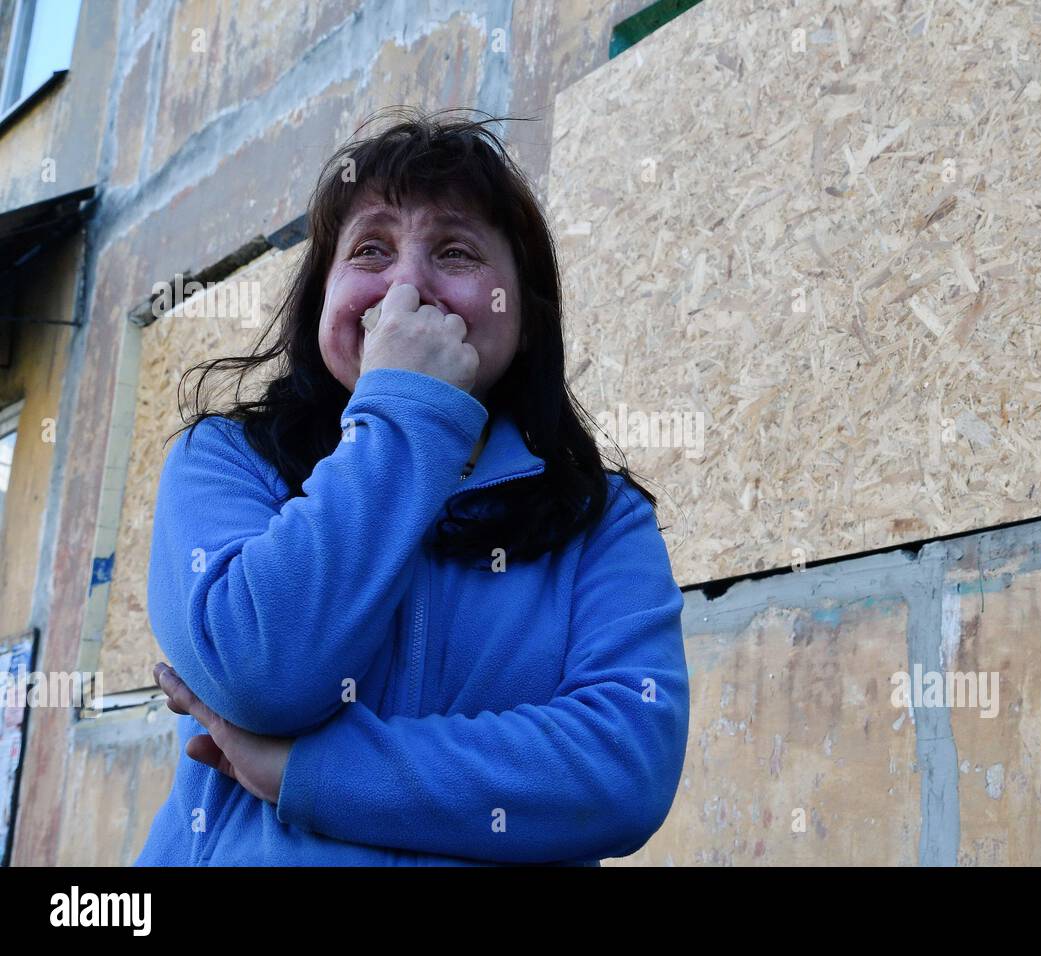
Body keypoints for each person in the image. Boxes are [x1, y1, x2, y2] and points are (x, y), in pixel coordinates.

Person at [133, 107, 690, 866]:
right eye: (370, 251)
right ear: (320, 304)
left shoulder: (602, 520)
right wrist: (407, 413)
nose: (407, 288)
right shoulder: (225, 461)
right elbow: (262, 674)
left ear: (523, 320)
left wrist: (309, 771)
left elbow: (622, 769)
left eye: (456, 253)